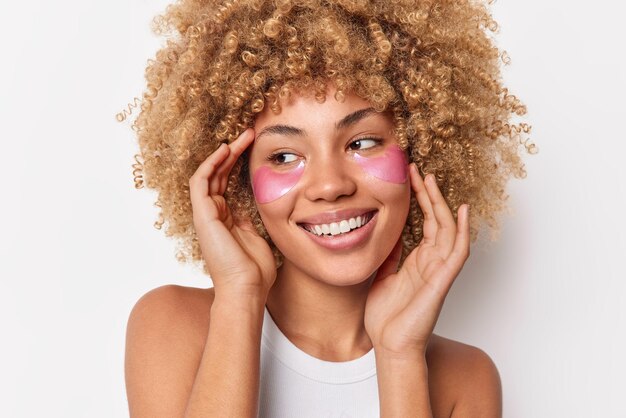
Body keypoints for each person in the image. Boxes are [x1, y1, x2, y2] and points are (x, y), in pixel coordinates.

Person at [123, 0, 532, 416]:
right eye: (284, 156)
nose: (330, 186)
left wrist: (399, 356)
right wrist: (239, 298)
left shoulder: (465, 379)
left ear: (421, 153)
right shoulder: (174, 325)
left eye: (362, 143)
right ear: (238, 180)